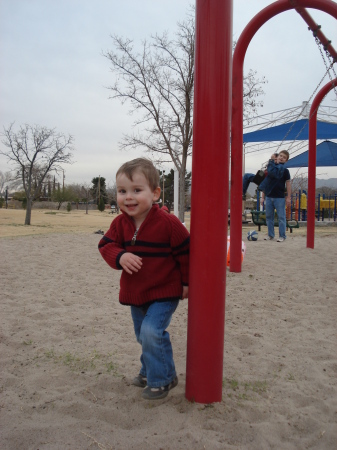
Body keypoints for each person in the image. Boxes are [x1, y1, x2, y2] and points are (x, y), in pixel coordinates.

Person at [98, 158, 189, 400]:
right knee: (142, 335)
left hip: (165, 291)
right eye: (122, 191)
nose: (128, 197)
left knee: (151, 331)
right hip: (137, 292)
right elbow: (105, 245)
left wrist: (187, 282)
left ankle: (163, 379)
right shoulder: (119, 224)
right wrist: (120, 256)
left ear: (155, 193)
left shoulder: (169, 224)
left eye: (137, 190)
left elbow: (186, 253)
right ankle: (149, 370)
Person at [258, 150, 291, 242]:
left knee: (281, 217)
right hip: (269, 196)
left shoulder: (285, 171)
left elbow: (288, 184)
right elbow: (266, 183)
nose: (281, 158)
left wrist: (288, 197)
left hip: (279, 198)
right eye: (280, 156)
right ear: (277, 157)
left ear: (286, 161)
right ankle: (270, 235)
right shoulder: (271, 169)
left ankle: (282, 236)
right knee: (269, 217)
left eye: (284, 157)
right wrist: (263, 197)